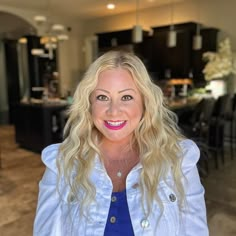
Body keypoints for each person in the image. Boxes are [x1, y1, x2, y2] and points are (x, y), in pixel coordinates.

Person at [33, 51, 209, 236]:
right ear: (89, 103)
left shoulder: (179, 160)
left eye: (126, 97)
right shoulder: (60, 163)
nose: (113, 111)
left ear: (145, 103)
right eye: (102, 97)